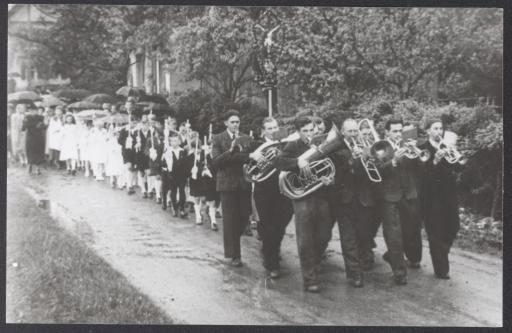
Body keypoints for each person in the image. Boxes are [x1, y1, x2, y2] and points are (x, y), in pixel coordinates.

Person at [274, 116, 333, 292]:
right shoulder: (293, 145)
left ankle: (314, 263)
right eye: (305, 131)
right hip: (302, 197)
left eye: (311, 130)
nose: (309, 134)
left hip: (320, 194)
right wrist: (296, 162)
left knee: (325, 234)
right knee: (305, 238)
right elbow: (278, 162)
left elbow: (330, 165)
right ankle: (310, 279)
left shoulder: (321, 144)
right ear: (299, 132)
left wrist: (329, 178)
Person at [374, 118, 423, 286]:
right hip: (389, 196)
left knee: (409, 233)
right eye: (394, 131)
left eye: (399, 131)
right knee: (393, 234)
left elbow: (420, 168)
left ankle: (392, 255)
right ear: (386, 132)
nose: (398, 134)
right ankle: (399, 273)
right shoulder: (381, 147)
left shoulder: (407, 144)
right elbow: (377, 171)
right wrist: (393, 160)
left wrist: (416, 153)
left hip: (408, 194)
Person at [248, 117, 293, 279]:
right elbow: (250, 170)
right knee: (269, 227)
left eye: (275, 127)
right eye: (269, 128)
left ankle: (272, 249)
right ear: (263, 131)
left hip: (283, 190)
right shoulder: (256, 145)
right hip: (264, 192)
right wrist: (254, 157)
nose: (273, 130)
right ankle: (272, 263)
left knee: (281, 225)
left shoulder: (286, 144)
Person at [419, 119, 464, 279]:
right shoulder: (423, 148)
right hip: (431, 195)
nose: (439, 132)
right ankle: (441, 269)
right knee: (436, 231)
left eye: (441, 129)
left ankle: (441, 252)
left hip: (448, 193)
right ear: (428, 131)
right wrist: (435, 161)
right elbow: (422, 174)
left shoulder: (446, 145)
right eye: (435, 128)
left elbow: (460, 167)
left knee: (453, 226)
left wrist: (454, 152)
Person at [212, 110, 253, 267]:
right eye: (233, 122)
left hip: (243, 183)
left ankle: (234, 240)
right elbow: (215, 162)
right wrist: (230, 151)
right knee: (230, 220)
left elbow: (248, 157)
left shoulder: (246, 138)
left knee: (244, 216)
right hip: (226, 184)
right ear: (226, 123)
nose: (236, 124)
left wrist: (238, 156)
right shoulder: (217, 138)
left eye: (237, 121)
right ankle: (235, 254)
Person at [160, 132, 188, 218]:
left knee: (182, 192)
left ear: (179, 141)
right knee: (173, 192)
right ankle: (174, 208)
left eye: (175, 141)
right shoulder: (168, 151)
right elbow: (163, 163)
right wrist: (166, 159)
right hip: (171, 175)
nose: (173, 143)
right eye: (171, 141)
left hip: (181, 175)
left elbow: (186, 164)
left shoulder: (183, 151)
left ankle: (182, 208)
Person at [22, 105, 47, 175]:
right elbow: (23, 128)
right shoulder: (27, 117)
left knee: (38, 152)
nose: (33, 112)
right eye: (31, 110)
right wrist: (24, 122)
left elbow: (45, 127)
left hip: (39, 138)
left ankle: (37, 168)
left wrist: (42, 125)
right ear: (29, 111)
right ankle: (30, 165)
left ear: (37, 111)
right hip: (30, 138)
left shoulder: (41, 117)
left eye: (35, 110)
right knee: (30, 151)